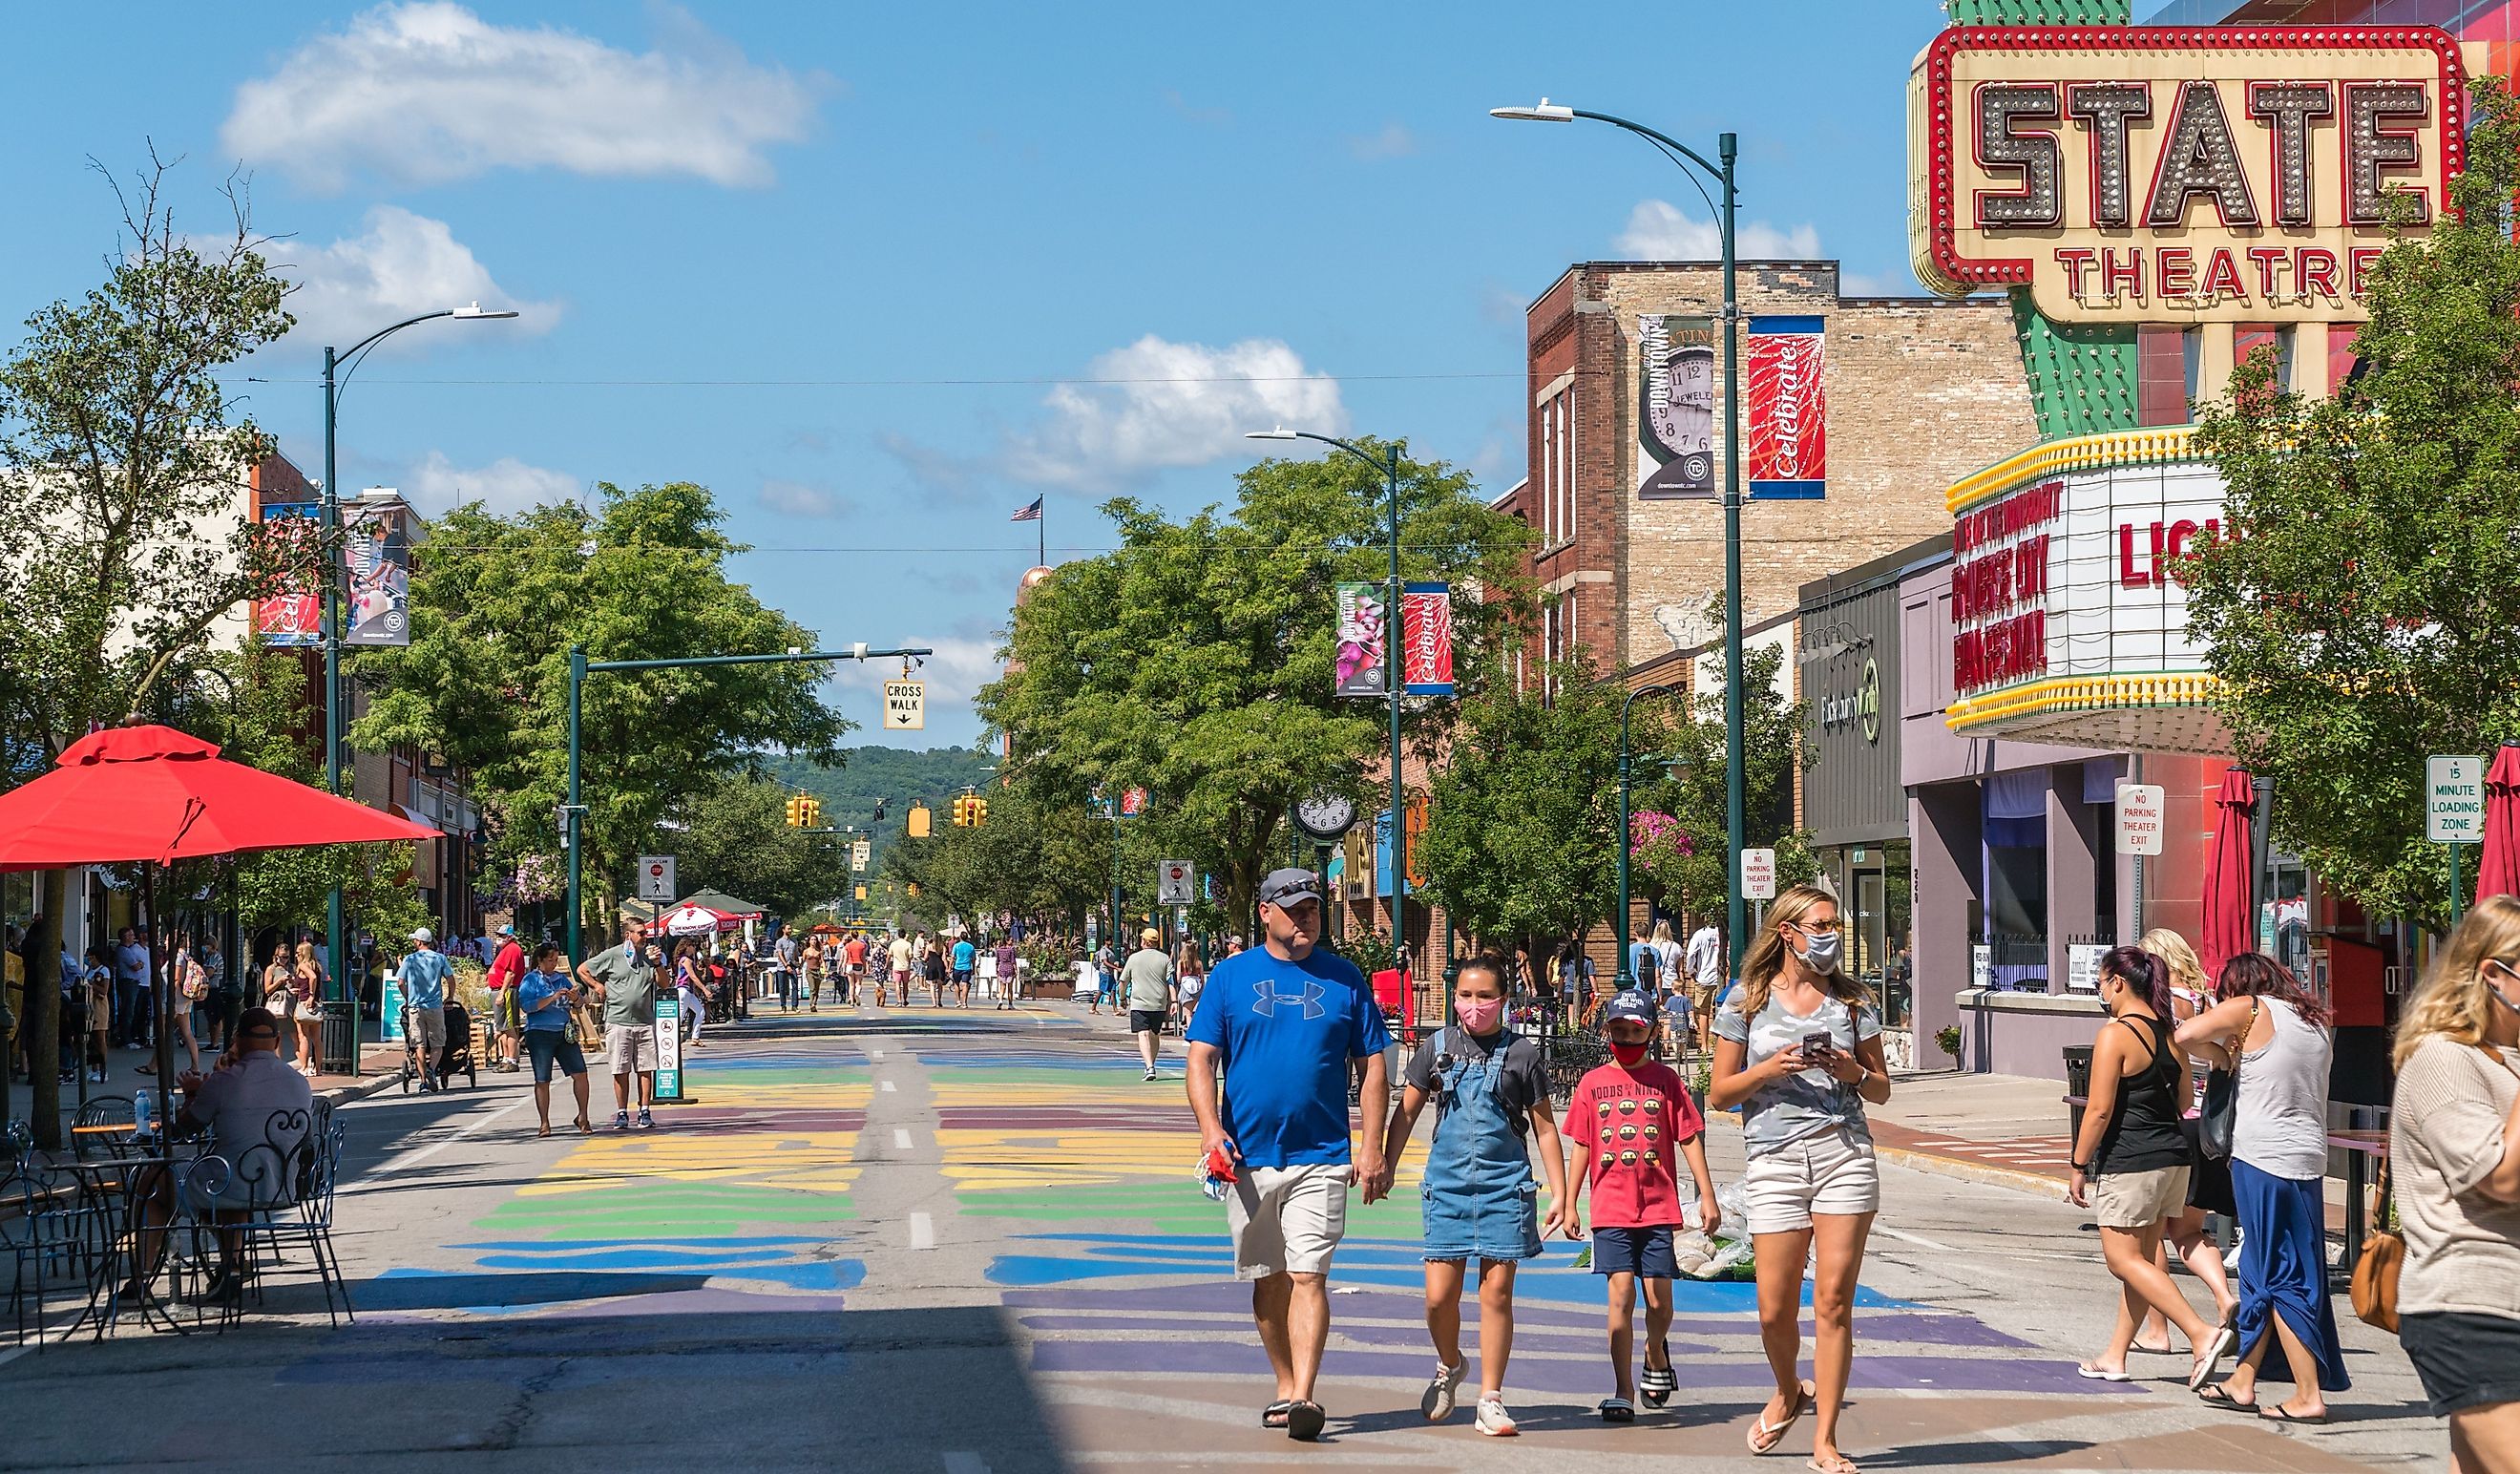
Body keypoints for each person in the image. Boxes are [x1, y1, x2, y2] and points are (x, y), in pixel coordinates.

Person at [1186, 867, 1391, 1442]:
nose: (1305, 918)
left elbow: (1373, 1064)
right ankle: (1283, 1381)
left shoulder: (1346, 979)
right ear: (1265, 913)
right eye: (1295, 908)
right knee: (1267, 1279)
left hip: (1323, 1153)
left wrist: (1370, 1145)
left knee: (1308, 1275)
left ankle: (1304, 1393)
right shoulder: (1230, 978)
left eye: (1313, 909)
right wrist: (1209, 1130)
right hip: (1247, 1156)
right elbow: (1200, 1059)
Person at [1708, 885, 1891, 1474]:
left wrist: (1852, 1069)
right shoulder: (1746, 1002)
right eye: (1820, 924)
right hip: (1774, 1158)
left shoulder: (1854, 1003)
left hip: (1844, 1154)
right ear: (1788, 932)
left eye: (1834, 923)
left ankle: (1826, 1441)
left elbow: (1883, 1088)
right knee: (1773, 1309)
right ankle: (1789, 1389)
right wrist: (1769, 1068)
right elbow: (1718, 1094)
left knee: (1834, 1301)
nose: (1830, 934)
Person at [1375, 955, 1567, 1437]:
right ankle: (1450, 1364)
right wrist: (1386, 1165)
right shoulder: (1436, 1048)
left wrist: (1560, 1194)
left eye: (1485, 996)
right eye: (1465, 995)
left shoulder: (1522, 1054)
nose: (1474, 1005)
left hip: (1506, 1187)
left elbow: (1545, 1130)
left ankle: (1491, 1398)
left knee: (1496, 1294)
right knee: (1440, 1299)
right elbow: (1407, 1112)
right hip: (1449, 1186)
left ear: (1504, 1000)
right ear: (1453, 997)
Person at [2178, 952, 2347, 1421]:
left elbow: (2185, 1035)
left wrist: (2223, 1054)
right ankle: (2243, 1380)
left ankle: (2308, 1394)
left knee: (2280, 1274)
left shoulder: (2250, 1008)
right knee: (2258, 1268)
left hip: (2262, 1158)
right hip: (2307, 1157)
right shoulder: (2312, 1022)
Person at [2389, 894, 2520, 1470]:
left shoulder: (2508, 1060)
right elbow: (2503, 1179)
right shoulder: (2443, 1061)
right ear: (2493, 974)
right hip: (2472, 1306)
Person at [2066, 946, 2233, 1388]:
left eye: (2101, 983)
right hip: (2174, 1157)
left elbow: (2098, 1109)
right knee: (2140, 1260)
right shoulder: (2166, 1032)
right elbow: (2183, 1101)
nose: (2101, 991)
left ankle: (2201, 1332)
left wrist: (2078, 1163)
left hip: (2132, 1159)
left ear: (2118, 983)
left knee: (2122, 1261)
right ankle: (2115, 1356)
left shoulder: (2115, 1034)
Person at [1562, 988, 1717, 1423]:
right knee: (1621, 1297)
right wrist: (1570, 1202)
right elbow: (1581, 1145)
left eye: (1635, 1030)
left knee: (1660, 1302)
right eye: (1618, 1029)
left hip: (1657, 1208)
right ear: (1606, 1029)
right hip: (1610, 1207)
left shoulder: (1667, 1081)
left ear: (1650, 1030)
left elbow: (1687, 1136)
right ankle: (1622, 1389)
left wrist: (1707, 1194)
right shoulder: (1592, 1083)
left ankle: (1654, 1349)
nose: (1626, 1038)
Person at [117, 1007, 313, 1307]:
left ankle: (143, 1276)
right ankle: (231, 1267)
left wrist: (194, 1096)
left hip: (233, 1184)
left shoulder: (225, 1081)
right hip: (283, 1185)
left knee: (152, 1182)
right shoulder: (300, 1082)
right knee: (232, 1176)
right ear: (276, 1042)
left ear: (237, 1041)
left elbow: (184, 1130)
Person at [2134, 927, 2239, 1349]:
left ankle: (2159, 1331)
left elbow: (2170, 1047)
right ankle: (2222, 1294)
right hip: (2211, 1127)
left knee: (2153, 1234)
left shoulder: (2162, 1005)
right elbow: (2227, 1052)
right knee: (2190, 1231)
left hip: (2175, 1124)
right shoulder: (2209, 1001)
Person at [579, 920, 661, 1131]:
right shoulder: (613, 955)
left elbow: (665, 983)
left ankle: (644, 1111)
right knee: (620, 1068)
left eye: (646, 933)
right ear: (628, 935)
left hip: (644, 1021)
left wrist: (658, 963)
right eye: (641, 933)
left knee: (646, 1068)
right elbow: (582, 969)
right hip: (618, 1020)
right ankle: (622, 1112)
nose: (645, 937)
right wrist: (598, 985)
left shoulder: (650, 956)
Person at [517, 943, 593, 1136]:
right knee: (543, 1079)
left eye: (555, 960)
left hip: (563, 1030)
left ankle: (583, 1116)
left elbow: (580, 1004)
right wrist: (552, 997)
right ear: (540, 961)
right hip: (540, 1032)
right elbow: (528, 1007)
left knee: (580, 1073)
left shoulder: (562, 979)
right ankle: (544, 1122)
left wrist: (576, 998)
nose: (553, 964)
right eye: (549, 960)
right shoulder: (531, 980)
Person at [397, 928, 454, 1092]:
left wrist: (408, 998)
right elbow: (450, 979)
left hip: (415, 1007)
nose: (414, 942)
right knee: (437, 1043)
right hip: (435, 1006)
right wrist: (450, 997)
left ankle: (423, 1082)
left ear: (419, 942)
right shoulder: (439, 958)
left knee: (419, 1045)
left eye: (415, 940)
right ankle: (432, 1069)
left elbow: (400, 982)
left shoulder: (409, 959)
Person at [1122, 928, 1174, 1081]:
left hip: (1139, 1003)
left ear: (1144, 941)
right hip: (1159, 1003)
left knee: (1143, 1034)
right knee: (1154, 1034)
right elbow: (1170, 981)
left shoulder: (1134, 958)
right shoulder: (1165, 959)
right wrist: (1174, 1001)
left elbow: (1123, 981)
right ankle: (1151, 1064)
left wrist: (1123, 998)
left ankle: (1149, 1066)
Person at [486, 923, 526, 1073]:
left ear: (510, 937)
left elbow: (510, 973)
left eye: (502, 936)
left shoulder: (513, 949)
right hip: (498, 990)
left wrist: (502, 993)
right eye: (498, 935)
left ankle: (512, 1060)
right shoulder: (504, 950)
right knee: (502, 1027)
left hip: (506, 991)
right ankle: (505, 1059)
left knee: (508, 1027)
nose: (499, 939)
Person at [281, 939, 325, 1076]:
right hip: (316, 1003)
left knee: (303, 1036)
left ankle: (305, 1067)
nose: (296, 955)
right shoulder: (316, 966)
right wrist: (295, 984)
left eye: (298, 953)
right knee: (317, 1038)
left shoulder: (303, 965)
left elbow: (312, 978)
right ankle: (318, 1069)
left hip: (305, 1002)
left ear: (304, 953)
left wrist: (309, 995)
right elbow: (308, 982)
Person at [1684, 918, 1725, 1054]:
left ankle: (1705, 1045)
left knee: (1703, 1012)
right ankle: (1718, 1045)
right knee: (1719, 1012)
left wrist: (1691, 971)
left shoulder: (1700, 934)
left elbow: (1690, 955)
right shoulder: (1722, 933)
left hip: (1704, 978)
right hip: (1720, 977)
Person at [112, 926, 148, 1050]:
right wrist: (140, 964)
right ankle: (126, 1039)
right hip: (128, 983)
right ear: (126, 937)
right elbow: (136, 966)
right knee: (128, 1011)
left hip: (133, 983)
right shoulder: (124, 951)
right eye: (131, 935)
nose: (134, 937)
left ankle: (128, 1037)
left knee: (131, 1010)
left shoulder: (127, 950)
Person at [1175, 940, 1206, 1031]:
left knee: (1188, 1014)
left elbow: (1178, 978)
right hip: (1197, 988)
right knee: (1192, 1012)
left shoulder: (1181, 963)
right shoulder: (1199, 963)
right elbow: (1202, 978)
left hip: (1186, 988)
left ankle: (1190, 1033)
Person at [993, 936, 1019, 1011]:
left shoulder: (999, 950)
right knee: (1010, 988)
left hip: (1002, 968)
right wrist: (1016, 969)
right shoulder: (1011, 950)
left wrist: (996, 970)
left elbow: (997, 961)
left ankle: (1000, 1000)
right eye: (1011, 940)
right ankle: (1010, 1004)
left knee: (1002, 987)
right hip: (1009, 968)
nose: (1012, 942)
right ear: (1007, 941)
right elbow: (1013, 960)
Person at [952, 934, 977, 1008]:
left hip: (957, 967)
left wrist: (949, 967)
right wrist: (973, 968)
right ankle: (964, 1002)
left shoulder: (956, 946)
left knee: (956, 983)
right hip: (967, 967)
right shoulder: (971, 947)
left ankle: (958, 1001)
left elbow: (953, 957)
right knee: (965, 984)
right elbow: (973, 959)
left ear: (960, 937)